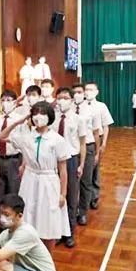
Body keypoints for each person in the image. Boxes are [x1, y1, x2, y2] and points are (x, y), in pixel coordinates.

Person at [0, 101, 71, 248]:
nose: (38, 116)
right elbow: (2, 136)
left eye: (42, 113)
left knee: (49, 220)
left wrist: (63, 194)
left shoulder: (57, 140)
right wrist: (18, 121)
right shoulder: (26, 136)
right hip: (29, 180)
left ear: (49, 116)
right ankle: (29, 253)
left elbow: (63, 169)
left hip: (49, 181)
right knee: (28, 216)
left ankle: (47, 257)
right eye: (35, 113)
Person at [52, 87, 86, 248]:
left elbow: (82, 143)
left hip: (71, 159)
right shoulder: (52, 118)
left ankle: (70, 233)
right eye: (59, 98)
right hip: (54, 160)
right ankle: (58, 231)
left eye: (65, 98)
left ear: (72, 100)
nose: (62, 101)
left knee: (71, 197)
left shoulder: (78, 119)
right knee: (57, 197)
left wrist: (81, 164)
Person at [0, 90, 23, 206]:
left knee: (13, 189)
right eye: (3, 100)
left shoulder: (20, 120)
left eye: (8, 100)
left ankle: (13, 214)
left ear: (15, 102)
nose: (5, 103)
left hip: (14, 159)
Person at [73, 83, 101, 225]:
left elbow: (96, 132)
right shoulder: (68, 109)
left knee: (86, 181)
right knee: (72, 182)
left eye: (79, 92)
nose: (77, 94)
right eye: (74, 92)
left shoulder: (92, 110)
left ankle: (82, 212)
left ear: (84, 93)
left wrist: (97, 152)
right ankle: (71, 211)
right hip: (72, 149)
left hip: (88, 147)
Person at [84, 82, 114, 207]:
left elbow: (106, 126)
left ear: (97, 92)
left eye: (91, 89)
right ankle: (84, 197)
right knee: (84, 170)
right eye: (86, 89)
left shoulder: (101, 106)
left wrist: (104, 144)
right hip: (83, 140)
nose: (88, 92)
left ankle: (94, 197)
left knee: (95, 168)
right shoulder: (80, 105)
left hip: (97, 139)